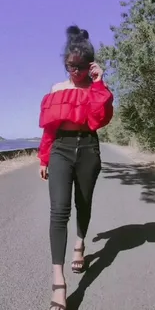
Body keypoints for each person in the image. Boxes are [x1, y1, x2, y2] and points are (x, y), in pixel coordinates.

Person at [38, 25, 113, 310]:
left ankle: (80, 243)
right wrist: (44, 158)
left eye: (81, 66)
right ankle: (58, 280)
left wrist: (99, 83)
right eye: (70, 65)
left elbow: (99, 119)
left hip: (88, 149)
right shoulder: (57, 90)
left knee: (84, 203)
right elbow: (49, 128)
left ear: (89, 64)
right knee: (59, 210)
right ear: (65, 63)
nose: (75, 71)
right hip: (60, 149)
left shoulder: (96, 90)